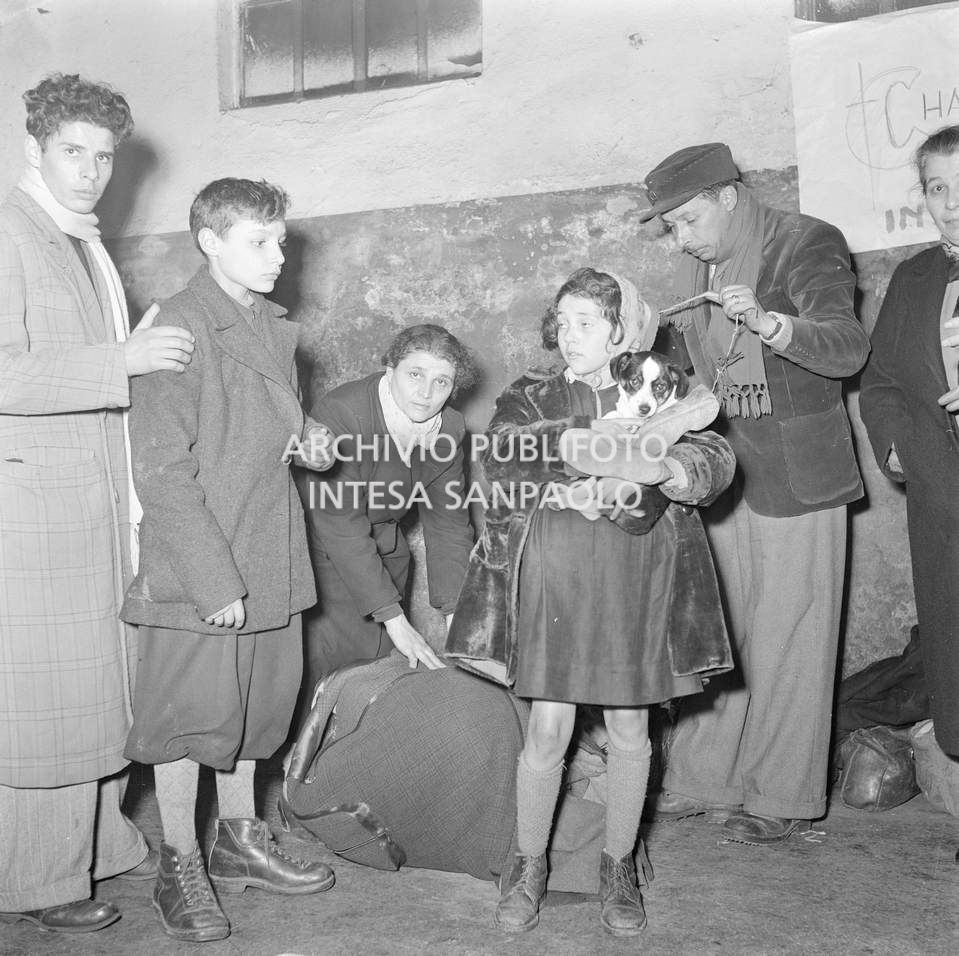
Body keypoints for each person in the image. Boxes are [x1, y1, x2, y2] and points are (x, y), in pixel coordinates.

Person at [445, 268, 734, 936]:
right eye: (562, 321)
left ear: (620, 328)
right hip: (556, 577)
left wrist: (668, 468)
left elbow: (715, 455)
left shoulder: (660, 383)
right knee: (548, 727)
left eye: (585, 322)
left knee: (630, 728)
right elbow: (502, 451)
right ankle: (528, 863)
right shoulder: (532, 392)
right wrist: (576, 444)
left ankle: (618, 864)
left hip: (636, 575)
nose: (568, 334)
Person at [0, 73, 195, 935]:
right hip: (34, 503)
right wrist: (124, 360)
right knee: (48, 701)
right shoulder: (8, 232)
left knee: (100, 687)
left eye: (103, 156)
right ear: (33, 150)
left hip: (90, 494)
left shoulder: (76, 238)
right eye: (71, 152)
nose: (89, 170)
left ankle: (102, 846)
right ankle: (39, 880)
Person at [120, 178, 336, 943]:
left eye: (280, 239)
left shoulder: (270, 326)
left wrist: (307, 437)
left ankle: (238, 840)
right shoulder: (180, 328)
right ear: (210, 242)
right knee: (187, 725)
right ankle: (179, 865)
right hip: (200, 566)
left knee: (251, 717)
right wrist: (215, 582)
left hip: (268, 549)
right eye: (259, 241)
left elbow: (263, 420)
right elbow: (162, 471)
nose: (279, 256)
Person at [643, 142, 870, 844]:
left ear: (729, 196)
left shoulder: (805, 242)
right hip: (720, 470)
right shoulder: (695, 266)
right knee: (720, 631)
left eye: (685, 220)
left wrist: (772, 326)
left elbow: (845, 346)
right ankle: (701, 777)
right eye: (670, 228)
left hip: (799, 472)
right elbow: (687, 364)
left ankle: (779, 795)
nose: (679, 239)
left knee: (791, 634)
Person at [297, 323, 476, 718]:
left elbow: (448, 523)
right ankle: (304, 770)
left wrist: (455, 616)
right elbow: (340, 524)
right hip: (322, 556)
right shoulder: (343, 413)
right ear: (391, 367)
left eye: (442, 381)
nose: (427, 393)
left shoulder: (448, 428)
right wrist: (394, 618)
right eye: (416, 374)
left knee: (379, 675)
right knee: (326, 678)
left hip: (385, 553)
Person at [860, 124, 959, 759]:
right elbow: (883, 379)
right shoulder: (915, 277)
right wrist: (897, 445)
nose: (952, 202)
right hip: (944, 496)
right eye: (937, 187)